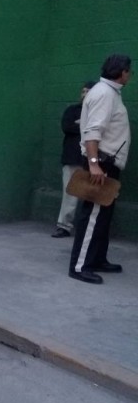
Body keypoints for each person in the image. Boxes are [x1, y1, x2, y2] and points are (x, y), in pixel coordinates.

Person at [68, 54, 132, 284]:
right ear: (122, 72)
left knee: (103, 215)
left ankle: (97, 259)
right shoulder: (104, 94)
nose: (130, 76)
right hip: (101, 164)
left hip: (107, 163)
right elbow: (93, 132)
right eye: (129, 71)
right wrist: (95, 166)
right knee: (93, 216)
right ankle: (79, 266)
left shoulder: (109, 92)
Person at [52, 81, 96, 238]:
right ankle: (64, 226)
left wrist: (82, 125)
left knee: (93, 195)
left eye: (88, 92)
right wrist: (87, 127)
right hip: (73, 158)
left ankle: (89, 229)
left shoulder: (98, 113)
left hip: (94, 160)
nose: (84, 94)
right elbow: (67, 127)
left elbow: (100, 131)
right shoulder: (72, 110)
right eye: (83, 91)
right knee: (69, 194)